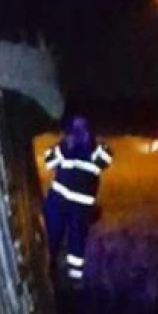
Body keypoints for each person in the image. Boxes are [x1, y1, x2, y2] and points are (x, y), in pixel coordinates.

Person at [41, 115, 113, 286]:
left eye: (83, 129)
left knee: (75, 244)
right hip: (61, 203)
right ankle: (49, 272)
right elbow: (49, 161)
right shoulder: (66, 147)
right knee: (54, 239)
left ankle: (73, 280)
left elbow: (105, 158)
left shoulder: (95, 151)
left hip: (75, 206)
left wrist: (85, 147)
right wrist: (65, 146)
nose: (80, 133)